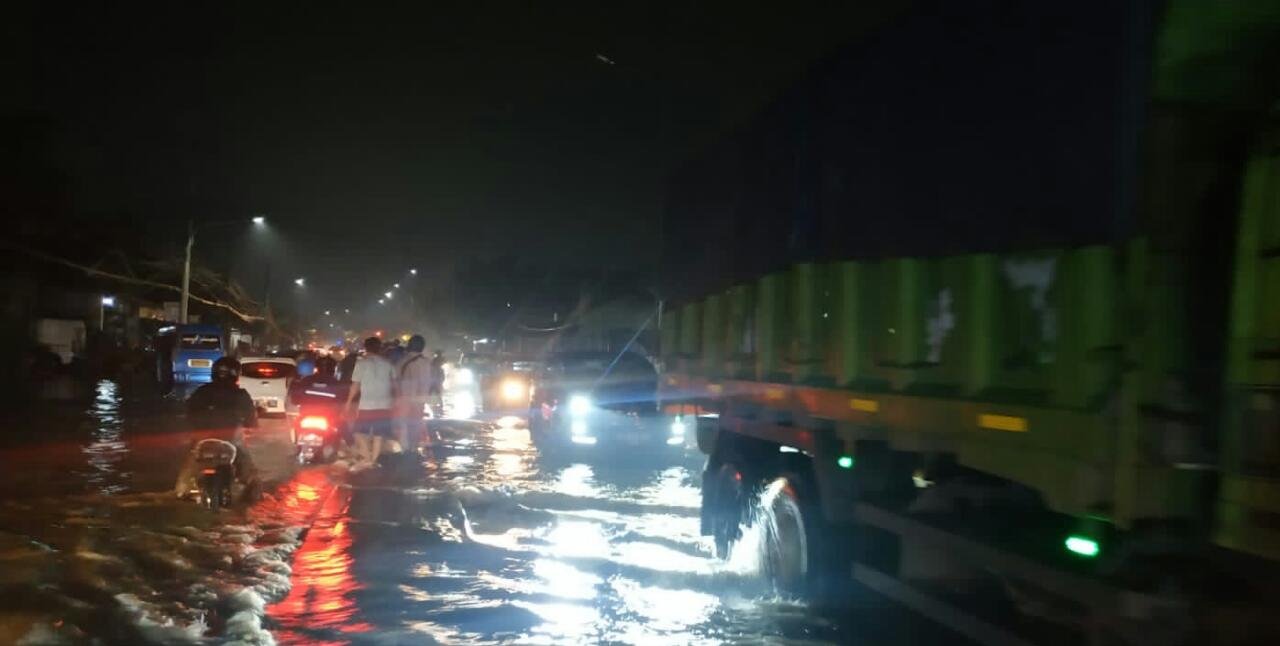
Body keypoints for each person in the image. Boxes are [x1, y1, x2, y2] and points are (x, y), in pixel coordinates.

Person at [175, 357, 260, 500]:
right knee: (246, 464)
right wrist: (251, 425)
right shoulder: (240, 394)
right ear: (236, 374)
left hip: (203, 438)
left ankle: (182, 489)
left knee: (191, 460)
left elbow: (188, 411)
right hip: (230, 439)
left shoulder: (202, 391)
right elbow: (250, 417)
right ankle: (253, 492)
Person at [343, 336, 398, 470]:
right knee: (379, 435)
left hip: (366, 406)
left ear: (365, 348)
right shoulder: (388, 364)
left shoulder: (361, 364)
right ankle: (373, 460)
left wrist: (348, 403)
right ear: (379, 348)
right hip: (385, 405)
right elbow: (395, 385)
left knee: (358, 433)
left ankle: (368, 458)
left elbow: (355, 385)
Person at [396, 335, 437, 451]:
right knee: (416, 424)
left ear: (409, 345)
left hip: (406, 399)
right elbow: (432, 382)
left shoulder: (402, 362)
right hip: (420, 401)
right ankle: (414, 448)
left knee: (404, 425)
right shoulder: (427, 363)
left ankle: (406, 450)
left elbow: (396, 381)